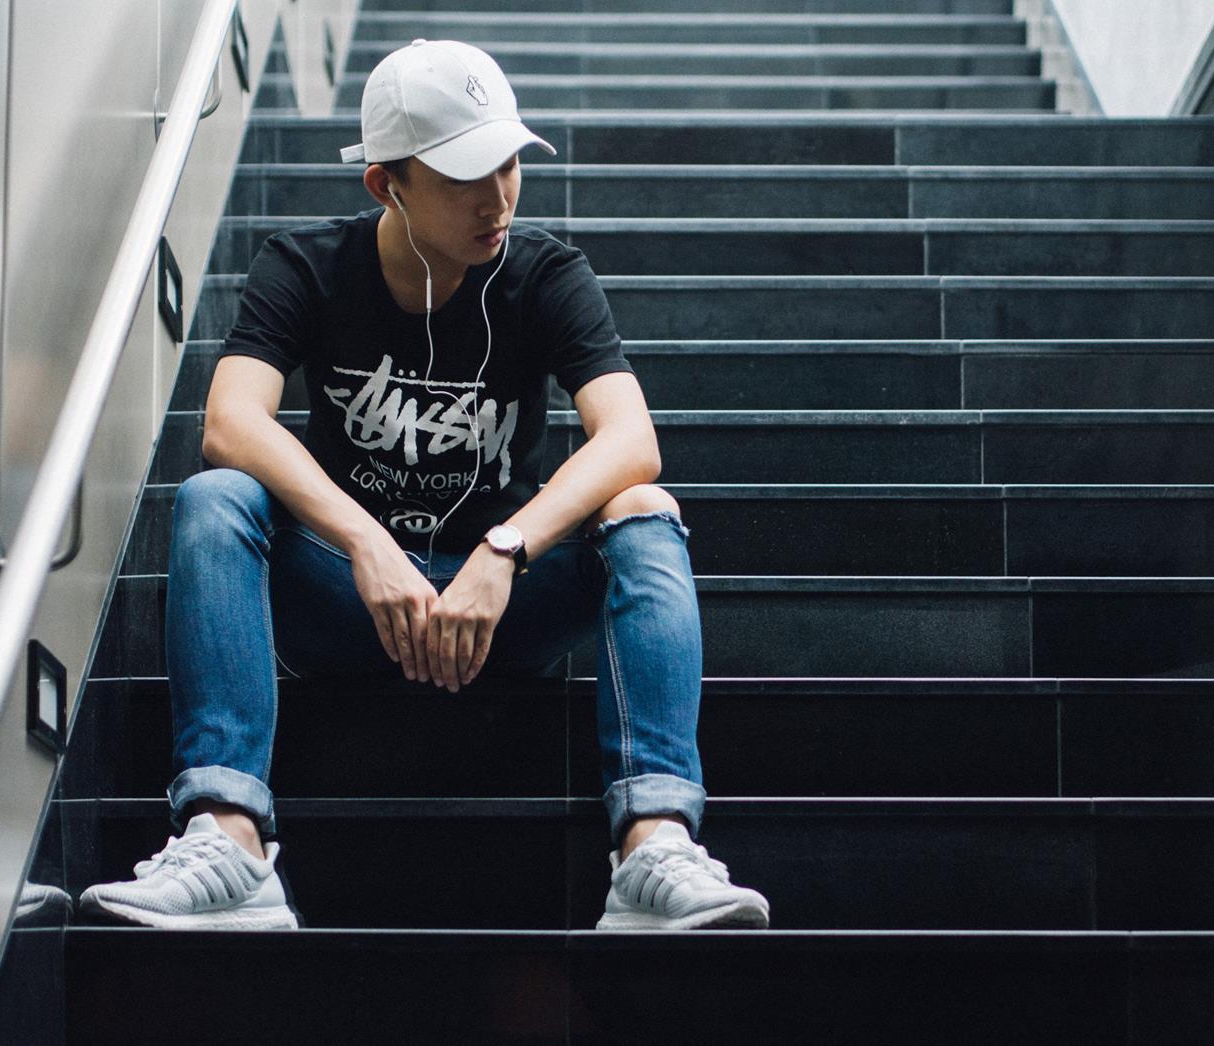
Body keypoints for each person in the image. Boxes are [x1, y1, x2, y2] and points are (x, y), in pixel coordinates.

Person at [77, 39, 770, 932]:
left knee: (643, 510)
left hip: (502, 606)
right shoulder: (307, 266)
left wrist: (506, 548)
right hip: (353, 601)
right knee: (218, 496)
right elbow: (230, 424)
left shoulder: (546, 273)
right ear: (385, 184)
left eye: (510, 161)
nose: (498, 197)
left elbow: (632, 440)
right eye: (462, 175)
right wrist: (366, 540)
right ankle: (229, 840)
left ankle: (653, 849)